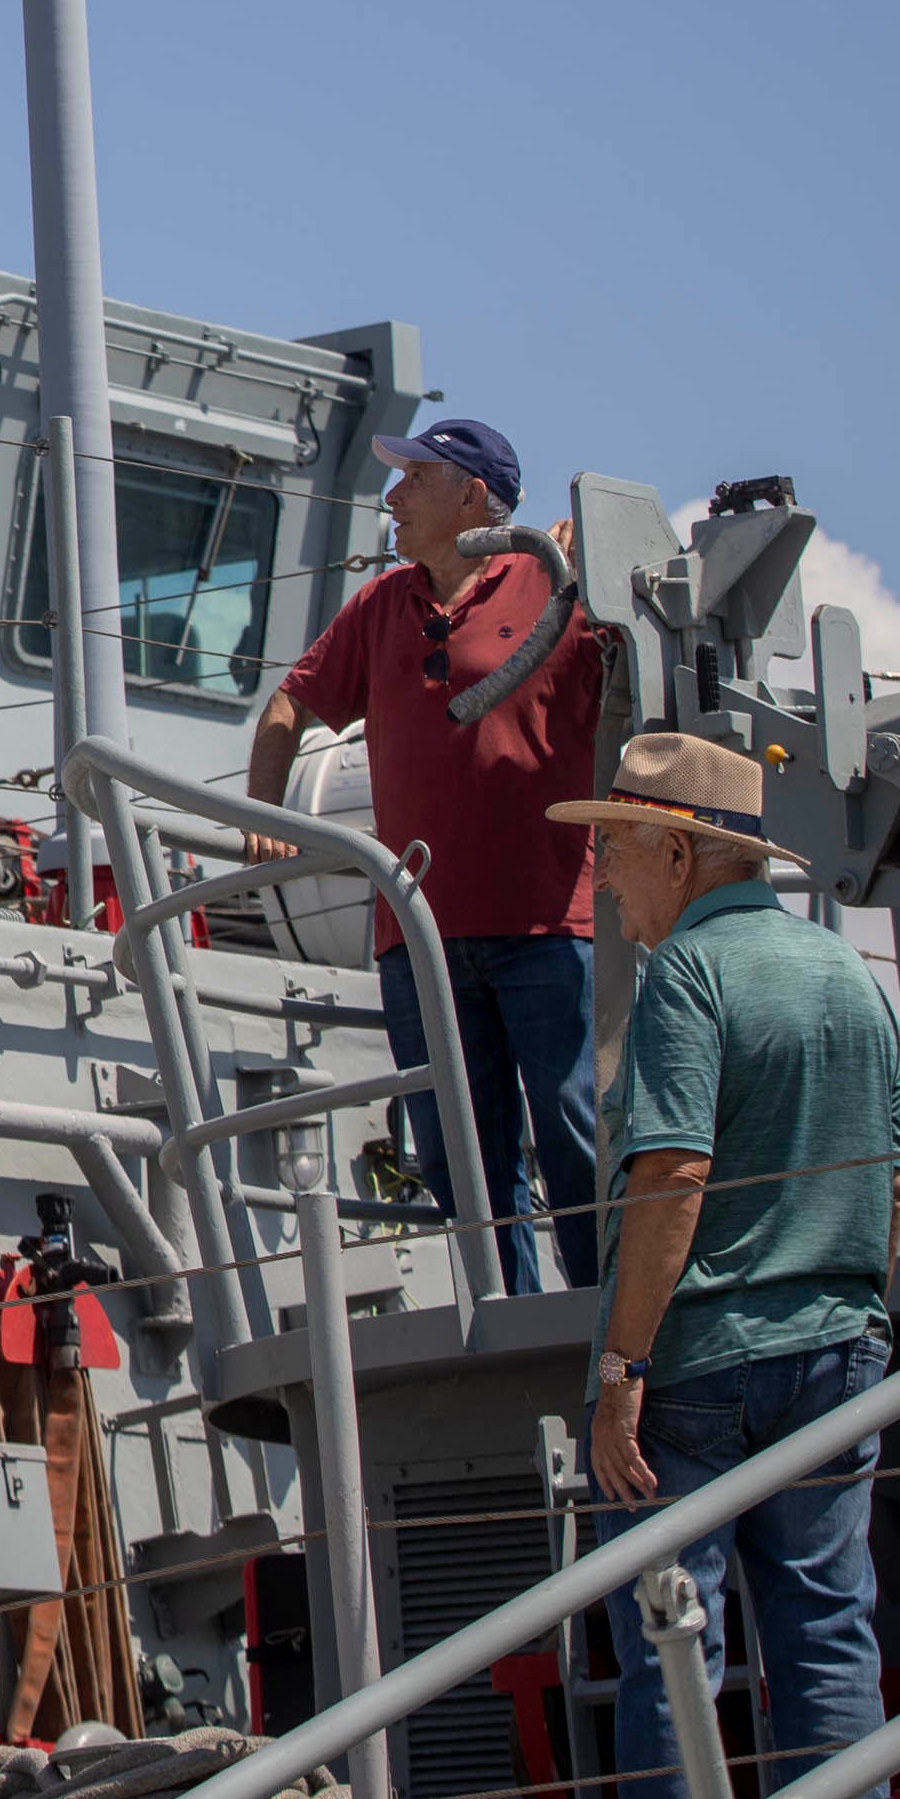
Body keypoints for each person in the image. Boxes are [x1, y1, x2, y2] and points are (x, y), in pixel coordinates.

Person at [564, 733, 900, 1799]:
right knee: (826, 1630)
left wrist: (622, 1369)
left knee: (672, 1635)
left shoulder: (687, 974)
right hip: (836, 1353)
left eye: (615, 848)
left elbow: (671, 1176)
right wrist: (843, 1316)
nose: (600, 876)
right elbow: (893, 1189)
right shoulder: (849, 975)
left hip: (699, 1371)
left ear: (679, 853)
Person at [245, 416, 613, 1294]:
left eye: (415, 477)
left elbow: (649, 674)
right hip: (417, 934)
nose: (393, 495)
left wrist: (594, 567)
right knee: (455, 1149)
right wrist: (262, 817)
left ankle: (608, 1327)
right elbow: (290, 705)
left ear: (473, 498)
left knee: (571, 1132)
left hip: (543, 922)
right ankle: (513, 1318)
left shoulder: (560, 583)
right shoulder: (383, 604)